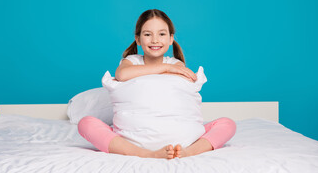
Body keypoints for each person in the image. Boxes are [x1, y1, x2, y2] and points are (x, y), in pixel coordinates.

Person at [78, 9, 236, 159]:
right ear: (138, 39)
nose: (155, 40)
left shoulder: (176, 63)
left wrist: (165, 68)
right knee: (86, 124)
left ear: (170, 39)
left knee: (227, 124)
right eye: (147, 34)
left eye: (162, 34)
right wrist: (166, 68)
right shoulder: (132, 61)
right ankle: (145, 154)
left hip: (181, 136)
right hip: (132, 138)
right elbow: (121, 74)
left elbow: (183, 80)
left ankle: (188, 151)